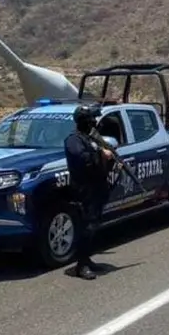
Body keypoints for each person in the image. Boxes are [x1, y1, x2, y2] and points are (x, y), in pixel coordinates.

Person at [64, 104, 115, 280]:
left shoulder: (90, 138)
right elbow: (83, 159)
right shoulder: (73, 140)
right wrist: (101, 154)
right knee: (86, 228)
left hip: (96, 188)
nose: (93, 122)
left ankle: (87, 259)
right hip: (84, 190)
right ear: (82, 121)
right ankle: (81, 265)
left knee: (93, 226)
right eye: (90, 119)